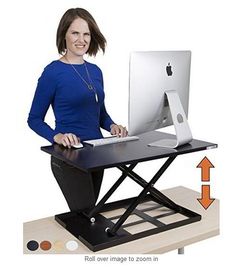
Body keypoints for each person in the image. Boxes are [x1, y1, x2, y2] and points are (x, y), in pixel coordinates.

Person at [27, 8, 128, 212]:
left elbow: (100, 115)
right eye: (75, 33)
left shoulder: (95, 71)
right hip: (69, 157)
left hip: (96, 153)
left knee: (90, 216)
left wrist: (113, 126)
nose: (81, 39)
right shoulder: (53, 72)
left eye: (86, 34)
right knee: (86, 218)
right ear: (64, 34)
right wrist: (57, 136)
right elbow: (34, 119)